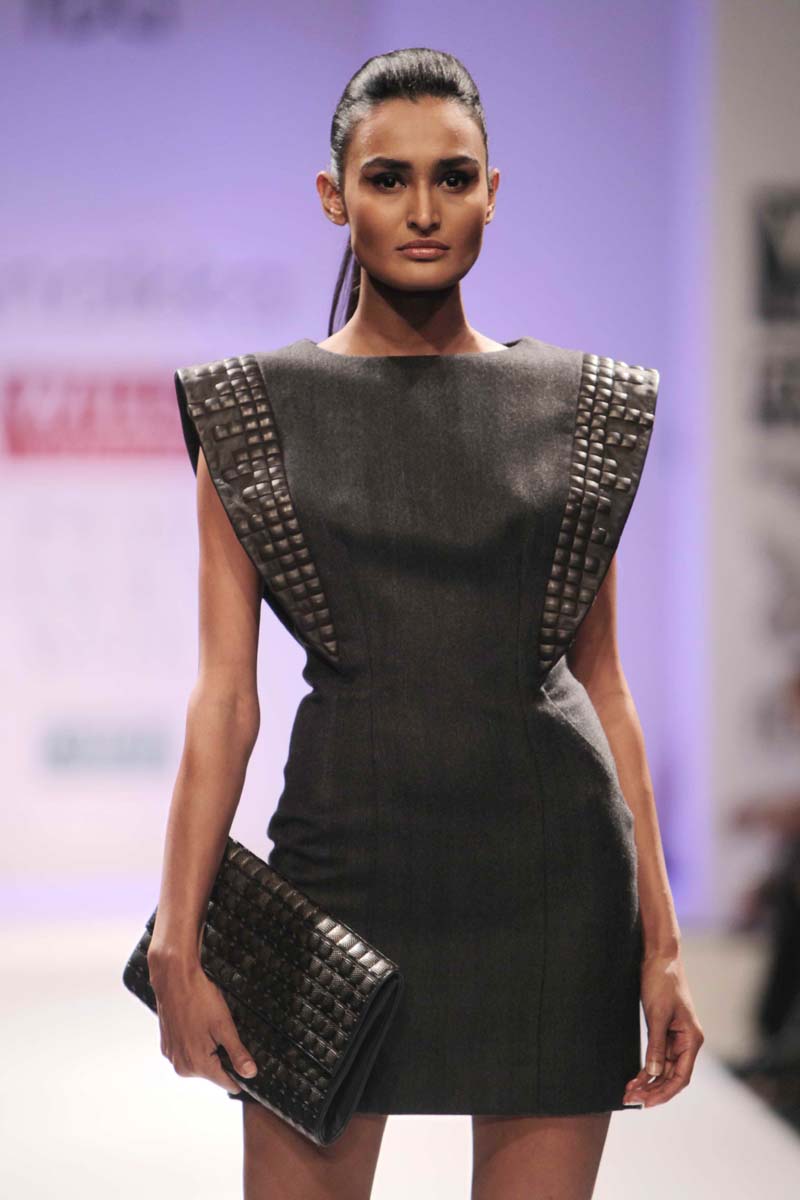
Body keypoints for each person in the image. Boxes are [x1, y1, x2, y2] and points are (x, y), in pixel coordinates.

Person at [146, 46, 705, 1200]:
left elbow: (601, 686)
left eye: (451, 178)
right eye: (386, 177)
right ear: (331, 195)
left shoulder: (577, 409)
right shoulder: (252, 411)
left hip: (551, 886)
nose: (421, 209)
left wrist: (661, 945)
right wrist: (176, 936)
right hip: (335, 872)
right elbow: (225, 696)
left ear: (492, 193)